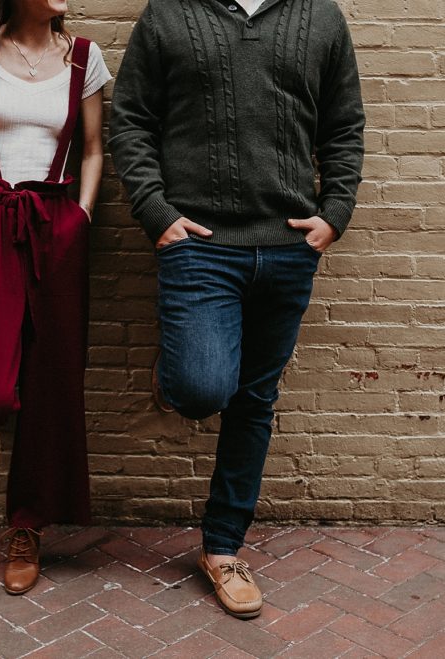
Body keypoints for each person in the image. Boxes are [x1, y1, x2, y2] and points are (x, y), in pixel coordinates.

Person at [109, 0, 365, 618]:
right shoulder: (168, 15)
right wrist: (157, 213)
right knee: (200, 388)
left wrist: (333, 216)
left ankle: (223, 550)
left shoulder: (320, 17)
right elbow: (130, 121)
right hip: (200, 247)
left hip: (287, 248)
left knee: (254, 401)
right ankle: (180, 365)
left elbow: (344, 125)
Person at [0, 0, 110, 595]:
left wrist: (80, 216)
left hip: (55, 224)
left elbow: (92, 148)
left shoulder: (85, 58)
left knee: (50, 380)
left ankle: (25, 527)